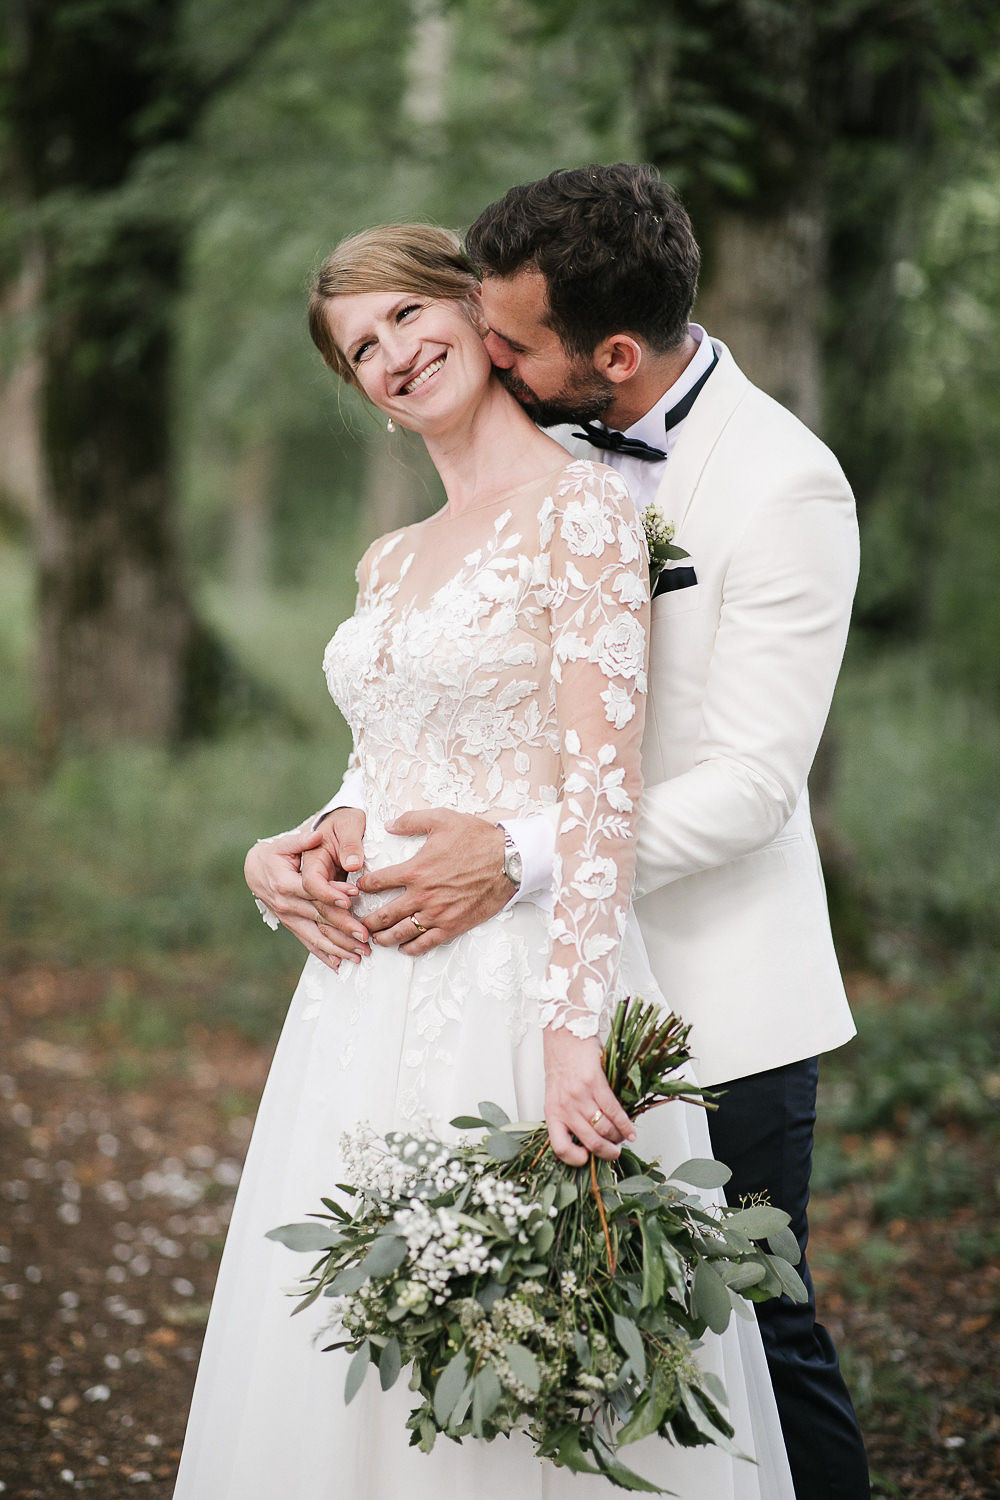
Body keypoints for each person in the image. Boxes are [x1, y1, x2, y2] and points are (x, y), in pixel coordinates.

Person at [247, 165, 869, 1500]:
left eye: (496, 330)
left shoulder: (780, 487)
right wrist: (292, 845)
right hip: (477, 968)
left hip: (707, 972)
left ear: (614, 353)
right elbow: (431, 721)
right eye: (385, 338)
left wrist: (518, 856)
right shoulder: (539, 443)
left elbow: (754, 785)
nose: (474, 348)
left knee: (742, 1331)